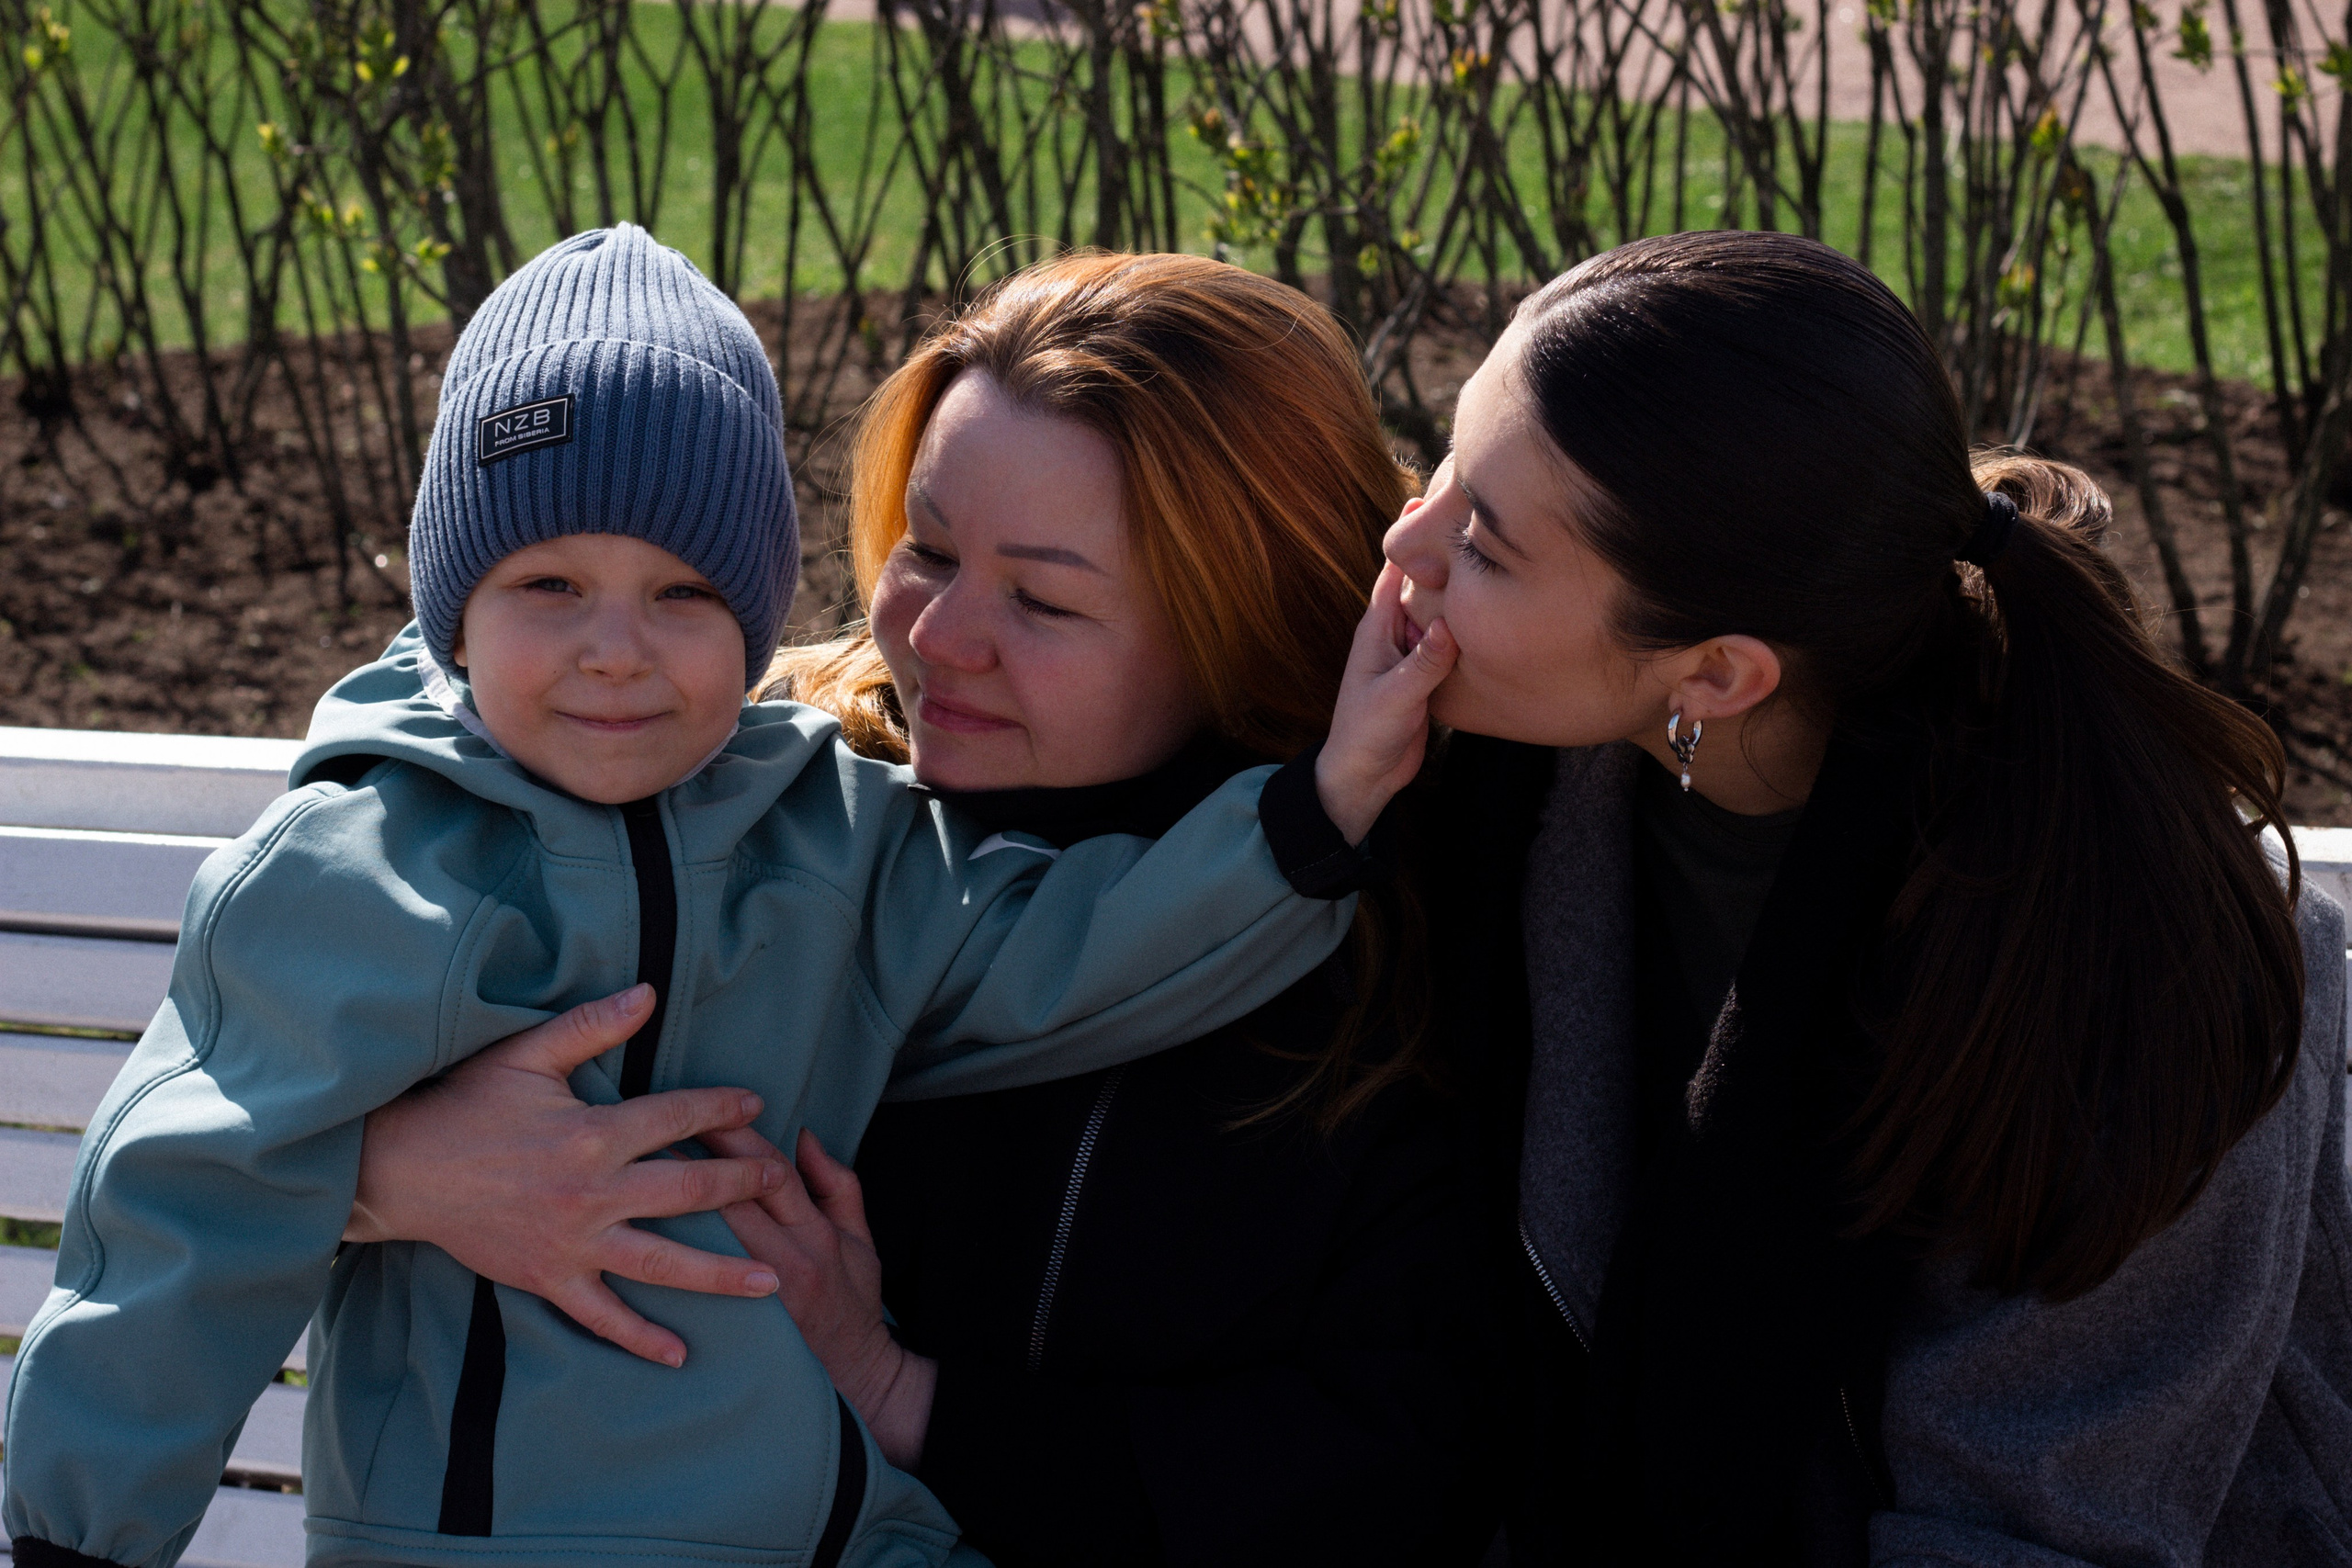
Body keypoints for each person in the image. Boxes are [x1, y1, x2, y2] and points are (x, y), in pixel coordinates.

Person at [3, 231, 1441, 1568]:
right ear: (455, 609)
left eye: (686, 595)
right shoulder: (382, 863)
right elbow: (186, 1207)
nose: (617, 654)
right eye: (925, 552)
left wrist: (1314, 817)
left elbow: (1063, 953)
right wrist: (380, 1172)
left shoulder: (835, 833)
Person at [1381, 231, 2351, 1564]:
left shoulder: (2132, 967)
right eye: (1445, 460)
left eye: (1482, 547)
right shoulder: (1492, 791)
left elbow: (2036, 1531)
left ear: (1717, 678)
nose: (1404, 537)